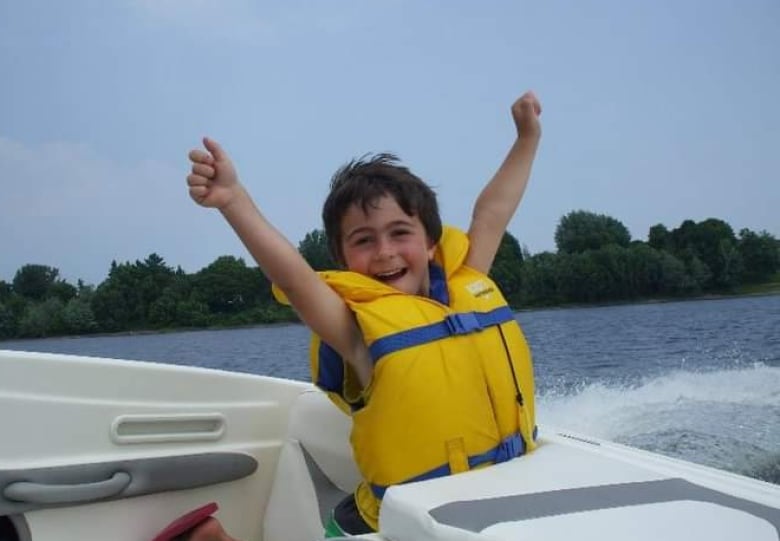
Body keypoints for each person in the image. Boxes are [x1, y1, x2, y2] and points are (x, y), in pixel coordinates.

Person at [184, 91, 542, 540]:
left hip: (489, 498)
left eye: (399, 233)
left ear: (431, 242)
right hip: (391, 524)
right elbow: (295, 278)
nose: (385, 252)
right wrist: (233, 199)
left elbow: (491, 213)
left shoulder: (465, 280)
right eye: (364, 240)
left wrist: (527, 138)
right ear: (343, 257)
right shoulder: (354, 330)